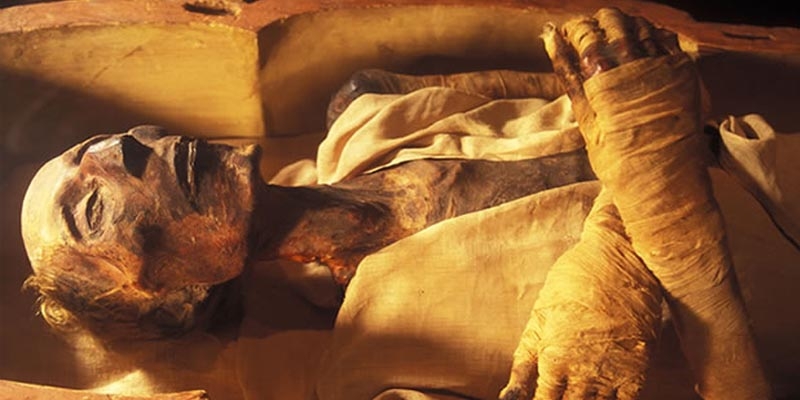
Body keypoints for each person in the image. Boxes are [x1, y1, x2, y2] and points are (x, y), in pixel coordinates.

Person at [20, 7, 797, 400]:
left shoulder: (372, 115)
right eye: (90, 208)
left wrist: (640, 156)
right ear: (166, 296)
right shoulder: (381, 367)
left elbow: (644, 89)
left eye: (106, 142)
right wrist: (660, 229)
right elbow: (643, 124)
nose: (128, 150)